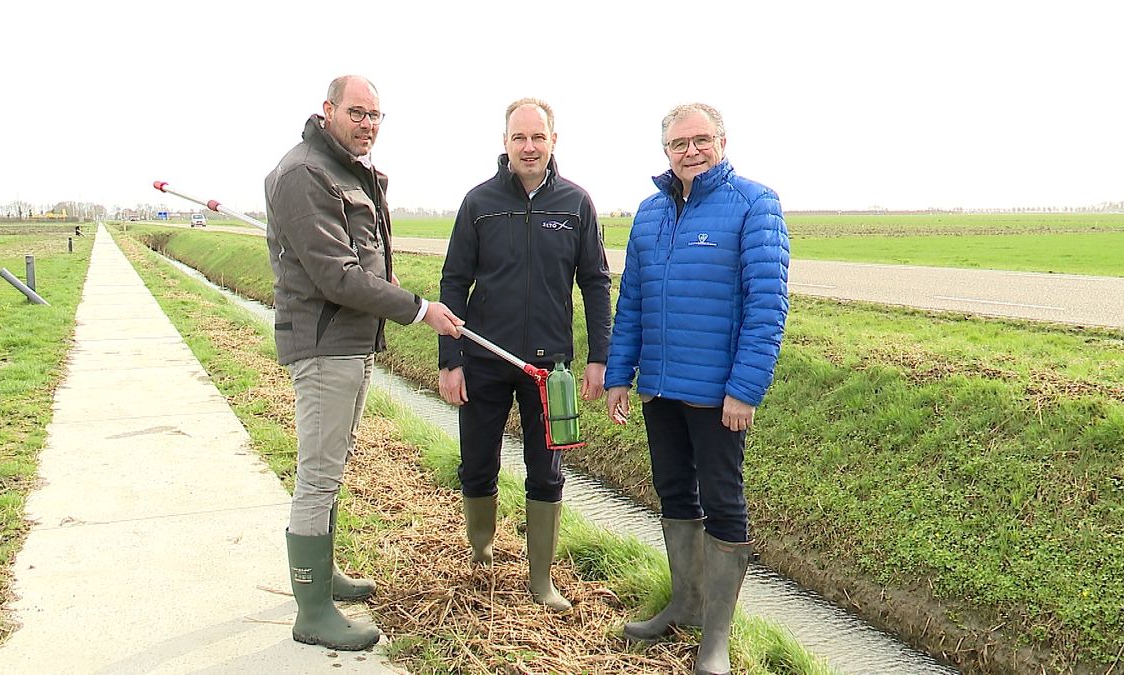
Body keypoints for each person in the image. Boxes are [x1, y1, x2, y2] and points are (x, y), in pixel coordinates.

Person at [264, 74, 464, 650]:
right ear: (327, 110)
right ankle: (312, 611)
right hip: (325, 345)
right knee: (319, 474)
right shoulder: (306, 173)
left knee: (334, 464)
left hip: (352, 343)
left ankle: (324, 577)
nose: (368, 124)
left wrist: (398, 296)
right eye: (357, 113)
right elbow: (336, 274)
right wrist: (420, 308)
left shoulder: (347, 171)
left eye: (376, 116)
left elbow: (372, 258)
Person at [604, 103, 789, 674]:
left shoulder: (755, 204)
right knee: (674, 494)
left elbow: (767, 306)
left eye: (700, 140)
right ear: (665, 152)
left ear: (722, 141)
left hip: (717, 394)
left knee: (724, 503)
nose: (690, 151)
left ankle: (716, 640)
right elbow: (631, 297)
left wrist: (745, 389)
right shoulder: (650, 212)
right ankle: (684, 605)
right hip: (660, 387)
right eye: (678, 143)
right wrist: (619, 373)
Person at [437, 98, 612, 612]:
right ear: (505, 143)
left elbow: (595, 283)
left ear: (553, 141)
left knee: (547, 472)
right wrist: (451, 359)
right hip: (484, 360)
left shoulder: (576, 204)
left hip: (550, 371)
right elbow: (453, 281)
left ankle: (541, 582)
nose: (529, 146)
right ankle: (482, 552)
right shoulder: (479, 203)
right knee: (476, 464)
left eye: (538, 137)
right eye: (519, 137)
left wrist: (598, 357)